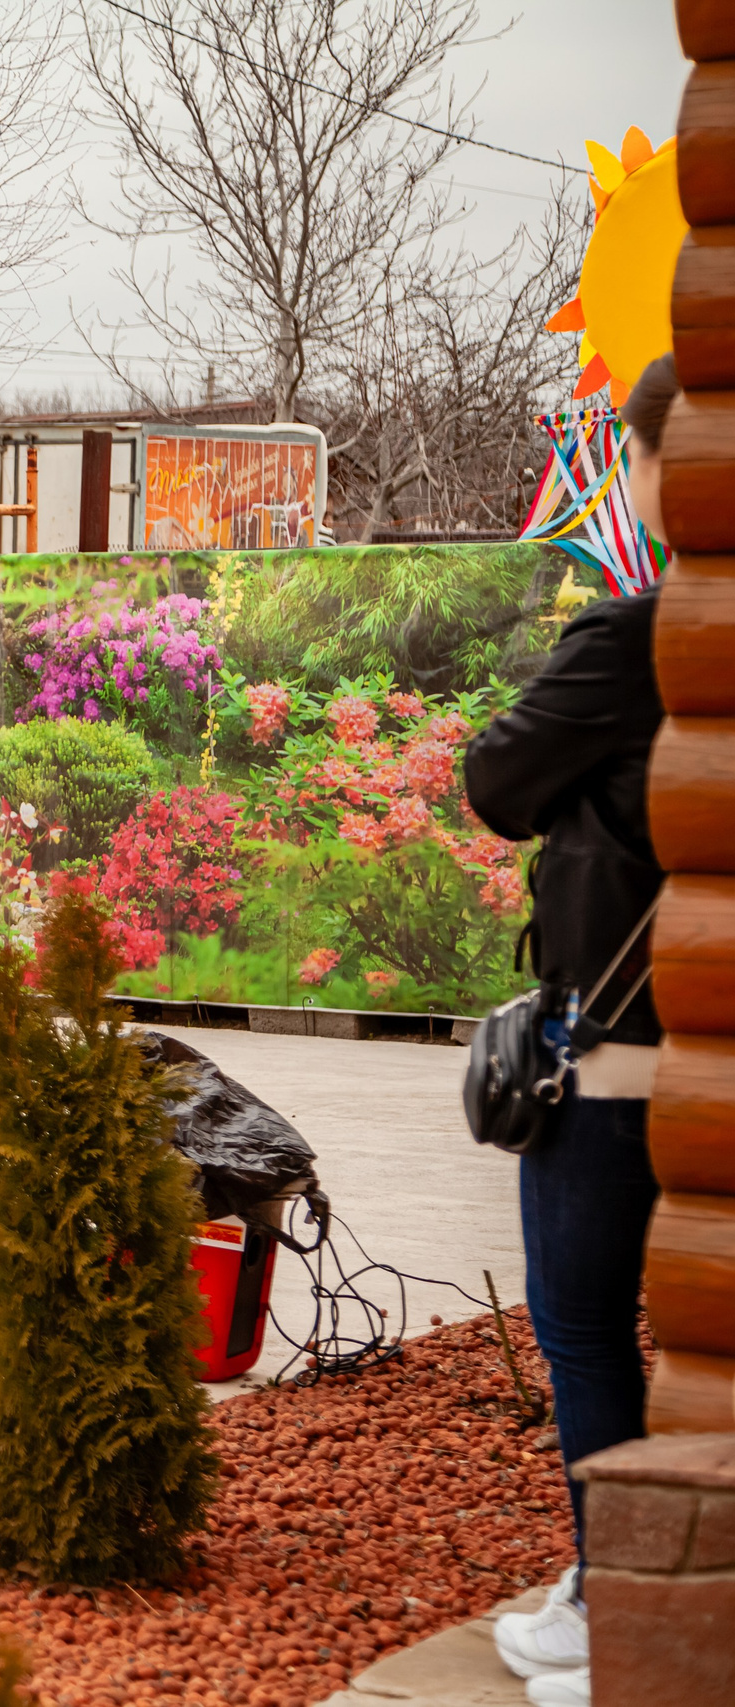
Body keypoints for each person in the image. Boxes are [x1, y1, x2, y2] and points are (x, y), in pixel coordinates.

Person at [466, 353, 678, 1707]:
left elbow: (498, 779)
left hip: (622, 1044)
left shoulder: (634, 636)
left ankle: (624, 1598)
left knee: (587, 1318)